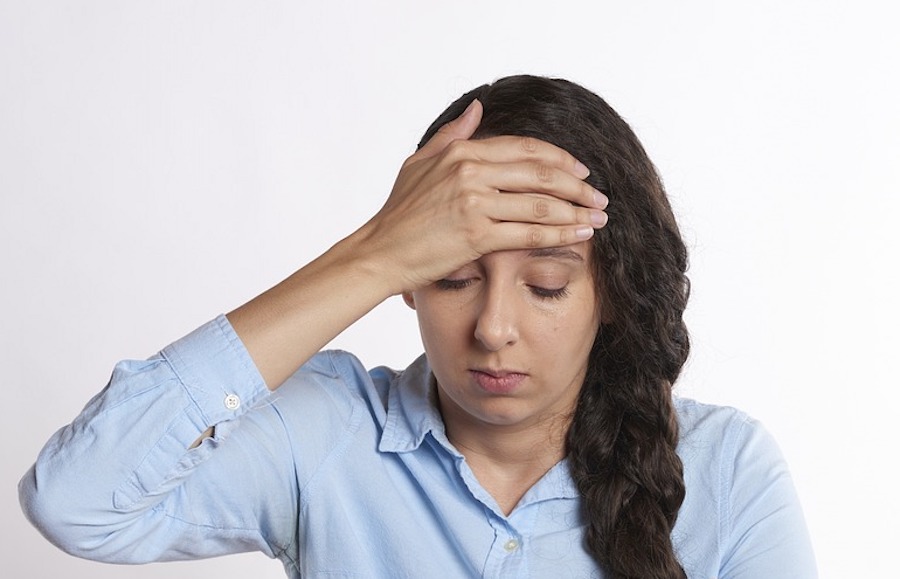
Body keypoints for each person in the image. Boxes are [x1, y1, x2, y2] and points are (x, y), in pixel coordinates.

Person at [19, 75, 817, 579]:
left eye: (544, 286)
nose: (493, 327)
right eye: (451, 276)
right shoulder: (327, 432)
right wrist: (370, 254)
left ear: (610, 294)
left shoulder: (725, 471)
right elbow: (77, 501)